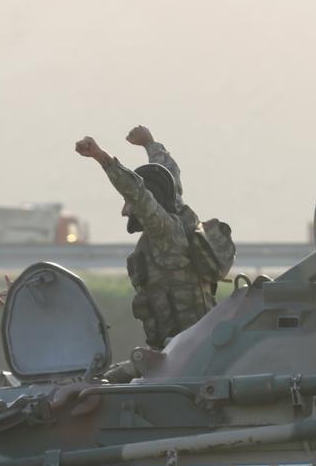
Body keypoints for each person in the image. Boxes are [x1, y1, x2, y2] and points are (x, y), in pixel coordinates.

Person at [75, 125, 215, 350]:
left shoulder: (166, 233)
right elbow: (168, 175)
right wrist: (150, 144)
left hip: (186, 352)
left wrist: (101, 157)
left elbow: (138, 193)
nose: (124, 211)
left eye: (126, 202)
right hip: (180, 348)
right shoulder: (177, 220)